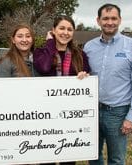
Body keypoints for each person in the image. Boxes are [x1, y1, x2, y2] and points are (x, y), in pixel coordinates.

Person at [83, 3, 132, 165]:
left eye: (113, 18)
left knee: (116, 159)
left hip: (118, 113)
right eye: (105, 18)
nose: (109, 22)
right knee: (92, 155)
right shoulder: (89, 47)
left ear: (120, 20)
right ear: (98, 21)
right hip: (91, 111)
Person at [33, 15, 90, 165]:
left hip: (70, 116)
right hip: (46, 116)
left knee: (68, 159)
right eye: (61, 28)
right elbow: (44, 67)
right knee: (47, 159)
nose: (65, 32)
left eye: (69, 29)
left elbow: (87, 82)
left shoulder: (80, 55)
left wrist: (84, 77)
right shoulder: (41, 52)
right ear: (53, 30)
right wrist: (51, 43)